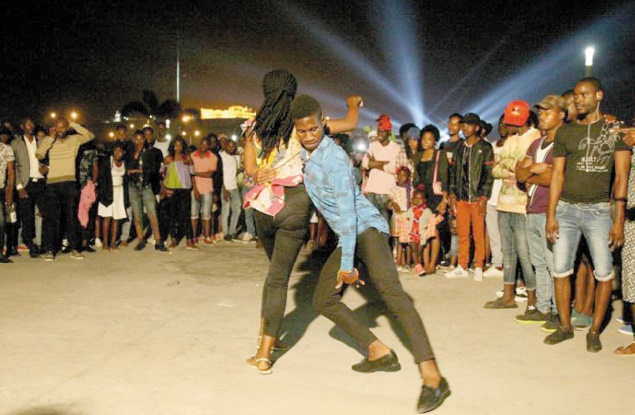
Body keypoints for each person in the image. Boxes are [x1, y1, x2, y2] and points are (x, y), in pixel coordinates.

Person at [292, 94, 450, 413]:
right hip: (350, 235)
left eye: (313, 129)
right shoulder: (305, 154)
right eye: (302, 131)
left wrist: (349, 265)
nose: (308, 136)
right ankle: (379, 352)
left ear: (323, 124)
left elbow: (349, 216)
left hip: (365, 228)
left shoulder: (333, 159)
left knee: (393, 294)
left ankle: (434, 377)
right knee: (324, 299)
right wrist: (352, 105)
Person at [243, 69, 362, 375]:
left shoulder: (255, 127)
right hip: (294, 205)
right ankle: (264, 354)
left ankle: (265, 342)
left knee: (274, 276)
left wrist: (261, 174)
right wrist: (352, 103)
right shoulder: (300, 125)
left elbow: (250, 169)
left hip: (263, 207)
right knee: (278, 279)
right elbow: (349, 123)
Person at [545, 77, 631, 352]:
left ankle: (594, 331)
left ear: (599, 95)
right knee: (560, 270)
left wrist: (618, 219)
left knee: (604, 273)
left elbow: (621, 177)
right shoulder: (566, 133)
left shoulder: (613, 129)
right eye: (577, 96)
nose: (579, 99)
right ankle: (565, 326)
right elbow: (557, 175)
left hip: (598, 211)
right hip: (566, 209)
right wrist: (551, 214)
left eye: (585, 95)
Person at [515, 95, 566, 325]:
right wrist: (535, 170)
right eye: (541, 111)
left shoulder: (564, 142)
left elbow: (556, 178)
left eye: (548, 111)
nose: (542, 116)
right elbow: (519, 173)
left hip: (551, 211)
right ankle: (544, 307)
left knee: (555, 263)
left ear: (561, 114)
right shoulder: (537, 144)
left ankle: (558, 310)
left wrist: (531, 175)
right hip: (532, 210)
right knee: (539, 263)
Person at [485, 100, 540, 307]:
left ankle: (533, 300)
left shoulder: (535, 138)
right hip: (504, 202)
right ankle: (508, 296)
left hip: (523, 203)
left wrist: (508, 165)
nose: (509, 125)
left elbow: (524, 170)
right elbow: (495, 170)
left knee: (525, 254)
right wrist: (514, 168)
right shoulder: (510, 140)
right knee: (508, 252)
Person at [36, 118, 95, 260]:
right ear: (54, 128)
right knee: (51, 219)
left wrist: (73, 123)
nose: (60, 130)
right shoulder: (49, 139)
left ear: (67, 128)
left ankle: (75, 248)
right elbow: (39, 154)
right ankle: (50, 250)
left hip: (69, 183)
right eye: (58, 127)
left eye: (63, 127)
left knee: (71, 218)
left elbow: (90, 136)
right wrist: (50, 138)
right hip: (52, 184)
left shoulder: (75, 139)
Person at [445, 113, 494, 279]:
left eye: (469, 125)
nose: (465, 128)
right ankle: (462, 266)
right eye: (463, 125)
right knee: (463, 233)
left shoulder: (485, 148)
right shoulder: (459, 148)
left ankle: (478, 266)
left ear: (477, 127)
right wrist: (452, 194)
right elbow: (452, 173)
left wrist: (484, 197)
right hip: (461, 198)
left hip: (477, 198)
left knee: (479, 234)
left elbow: (489, 175)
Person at [414, 124, 448, 273]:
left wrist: (444, 200)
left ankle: (432, 264)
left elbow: (445, 178)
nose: (425, 141)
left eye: (429, 139)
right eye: (423, 138)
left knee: (435, 231)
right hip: (422, 197)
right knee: (423, 230)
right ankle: (425, 262)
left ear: (435, 140)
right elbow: (414, 178)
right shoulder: (418, 156)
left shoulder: (440, 155)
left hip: (435, 196)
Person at [126, 130, 168, 252]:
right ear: (133, 140)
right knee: (137, 215)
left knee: (152, 214)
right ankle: (140, 240)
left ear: (144, 140)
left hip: (146, 186)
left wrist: (136, 171)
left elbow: (152, 170)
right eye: (137, 139)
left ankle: (158, 241)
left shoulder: (150, 152)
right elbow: (128, 168)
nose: (139, 141)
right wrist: (137, 153)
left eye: (141, 139)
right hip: (133, 186)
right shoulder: (130, 151)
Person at [11, 117, 46, 258]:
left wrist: (47, 167)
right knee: (27, 217)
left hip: (41, 182)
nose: (31, 125)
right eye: (28, 124)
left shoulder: (41, 141)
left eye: (32, 123)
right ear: (22, 126)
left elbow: (48, 159)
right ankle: (30, 245)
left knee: (43, 213)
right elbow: (13, 166)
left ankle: (41, 243)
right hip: (26, 183)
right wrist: (19, 186)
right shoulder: (16, 143)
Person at [362, 114, 406, 223]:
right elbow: (364, 163)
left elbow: (393, 168)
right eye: (378, 131)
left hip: (387, 191)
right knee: (370, 222)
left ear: (389, 133)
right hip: (372, 189)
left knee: (384, 222)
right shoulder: (373, 145)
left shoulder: (396, 148)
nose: (379, 134)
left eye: (382, 131)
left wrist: (374, 163)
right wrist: (383, 163)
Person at [482, 116, 509, 277]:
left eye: (505, 124)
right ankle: (497, 263)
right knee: (493, 232)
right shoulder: (492, 146)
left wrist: (497, 166)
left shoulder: (514, 145)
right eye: (500, 124)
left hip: (508, 196)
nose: (502, 127)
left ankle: (508, 264)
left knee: (506, 232)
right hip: (492, 194)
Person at [161, 135, 196, 250]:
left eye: (180, 145)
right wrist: (164, 188)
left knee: (186, 216)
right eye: (176, 145)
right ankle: (174, 240)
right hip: (171, 189)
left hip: (185, 189)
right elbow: (162, 174)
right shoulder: (168, 159)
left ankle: (190, 241)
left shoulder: (187, 158)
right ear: (172, 146)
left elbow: (192, 175)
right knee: (172, 216)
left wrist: (195, 189)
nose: (178, 147)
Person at [96, 141, 128, 251]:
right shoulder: (106, 161)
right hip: (107, 192)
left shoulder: (124, 162)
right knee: (107, 218)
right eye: (116, 151)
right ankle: (105, 243)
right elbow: (101, 178)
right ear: (113, 152)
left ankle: (113, 243)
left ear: (123, 152)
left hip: (119, 191)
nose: (118, 153)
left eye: (120, 151)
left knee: (116, 218)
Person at [191, 135, 218, 245]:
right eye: (202, 143)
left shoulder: (212, 157)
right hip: (194, 188)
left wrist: (195, 173)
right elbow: (191, 175)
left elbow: (210, 174)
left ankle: (206, 236)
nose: (203, 146)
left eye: (206, 144)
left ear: (208, 146)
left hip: (207, 188)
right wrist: (195, 189)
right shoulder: (192, 156)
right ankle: (193, 236)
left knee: (207, 214)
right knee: (194, 214)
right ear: (199, 144)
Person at [388, 166, 413, 271]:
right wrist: (393, 203)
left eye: (404, 175)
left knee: (407, 241)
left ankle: (407, 263)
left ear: (408, 177)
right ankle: (399, 262)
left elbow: (413, 202)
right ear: (396, 176)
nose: (402, 177)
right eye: (400, 175)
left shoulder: (411, 189)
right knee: (398, 240)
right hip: (397, 216)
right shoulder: (393, 189)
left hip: (407, 216)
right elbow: (388, 202)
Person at [219, 140, 242, 241]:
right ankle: (225, 233)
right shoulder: (221, 156)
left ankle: (232, 231)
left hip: (234, 187)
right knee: (226, 212)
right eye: (230, 146)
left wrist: (241, 169)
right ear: (226, 146)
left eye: (233, 147)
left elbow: (234, 171)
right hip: (226, 187)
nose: (232, 148)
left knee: (237, 210)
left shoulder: (235, 157)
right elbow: (220, 174)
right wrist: (224, 189)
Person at [0, 127, 16, 263]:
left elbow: (11, 171)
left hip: (0, 188)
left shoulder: (7, 149)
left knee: (1, 221)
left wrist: (9, 191)